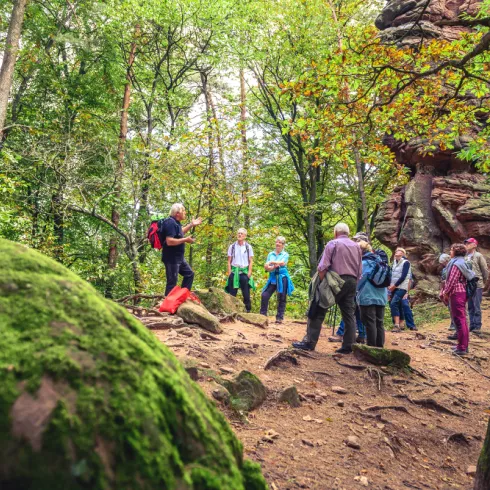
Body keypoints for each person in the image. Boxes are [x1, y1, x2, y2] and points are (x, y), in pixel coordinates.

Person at [293, 223, 362, 354]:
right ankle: (348, 346)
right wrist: (354, 282)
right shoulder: (356, 247)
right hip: (352, 281)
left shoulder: (333, 244)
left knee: (318, 307)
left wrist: (320, 283)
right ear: (347, 233)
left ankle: (309, 342)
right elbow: (359, 270)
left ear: (335, 232)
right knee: (349, 314)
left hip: (334, 280)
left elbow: (323, 266)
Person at [440, 243, 475, 355]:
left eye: (451, 250)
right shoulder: (461, 262)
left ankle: (462, 347)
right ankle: (462, 345)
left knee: (460, 320)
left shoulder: (456, 264)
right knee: (460, 319)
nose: (450, 252)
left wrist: (446, 293)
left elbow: (452, 281)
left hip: (457, 293)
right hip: (460, 292)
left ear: (456, 251)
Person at [161, 203, 202, 296]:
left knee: (189, 274)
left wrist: (191, 224)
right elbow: (169, 241)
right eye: (183, 211)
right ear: (177, 213)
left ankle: (182, 297)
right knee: (172, 283)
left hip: (179, 258)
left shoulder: (176, 223)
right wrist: (186, 240)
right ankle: (167, 305)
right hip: (171, 258)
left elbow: (180, 232)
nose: (185, 213)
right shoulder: (170, 222)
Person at [357, 241, 388, 347]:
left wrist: (354, 290)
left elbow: (360, 279)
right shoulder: (380, 261)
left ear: (361, 251)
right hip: (382, 296)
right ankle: (380, 346)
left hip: (368, 296)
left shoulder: (365, 263)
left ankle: (371, 347)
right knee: (379, 322)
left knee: (370, 322)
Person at [260, 236, 295, 323]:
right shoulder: (270, 254)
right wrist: (270, 267)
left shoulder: (285, 254)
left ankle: (279, 317)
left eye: (280, 242)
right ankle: (262, 315)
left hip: (282, 277)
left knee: (282, 297)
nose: (277, 244)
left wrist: (272, 263)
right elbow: (268, 268)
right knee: (265, 295)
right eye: (277, 242)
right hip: (272, 277)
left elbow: (282, 263)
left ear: (283, 245)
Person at [225, 228, 255, 312]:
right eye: (238, 233)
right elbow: (229, 260)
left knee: (246, 294)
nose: (239, 235)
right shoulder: (232, 246)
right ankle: (231, 311)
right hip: (234, 272)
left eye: (241, 233)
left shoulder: (248, 247)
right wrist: (229, 272)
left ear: (245, 236)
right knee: (232, 294)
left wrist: (249, 272)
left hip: (244, 272)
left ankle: (248, 311)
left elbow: (251, 260)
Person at [464, 238, 488, 334]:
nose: (466, 245)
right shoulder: (465, 256)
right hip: (468, 284)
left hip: (477, 284)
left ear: (474, 245)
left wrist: (483, 281)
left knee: (476, 305)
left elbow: (485, 270)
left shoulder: (478, 255)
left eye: (468, 243)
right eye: (466, 243)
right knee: (470, 306)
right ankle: (472, 325)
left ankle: (477, 326)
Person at [388, 247, 412, 332]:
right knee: (397, 304)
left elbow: (403, 276)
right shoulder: (394, 262)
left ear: (403, 254)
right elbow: (392, 275)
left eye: (399, 252)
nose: (397, 253)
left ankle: (397, 325)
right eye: (396, 252)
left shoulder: (406, 263)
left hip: (401, 287)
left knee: (394, 303)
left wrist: (394, 286)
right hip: (393, 287)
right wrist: (390, 288)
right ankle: (401, 323)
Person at [439, 253, 456, 332]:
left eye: (443, 262)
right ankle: (452, 323)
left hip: (452, 289)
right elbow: (442, 280)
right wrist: (442, 290)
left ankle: (454, 324)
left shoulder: (453, 266)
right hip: (445, 289)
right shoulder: (444, 269)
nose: (442, 264)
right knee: (449, 307)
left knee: (453, 307)